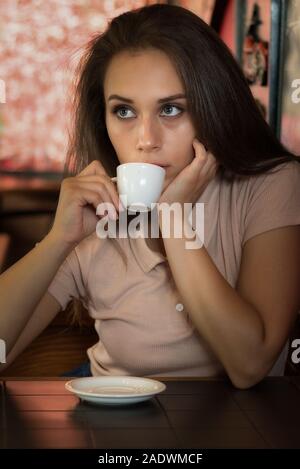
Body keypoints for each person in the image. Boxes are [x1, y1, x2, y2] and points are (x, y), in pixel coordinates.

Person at [1, 4, 300, 389]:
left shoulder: (273, 185)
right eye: (124, 111)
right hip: (110, 430)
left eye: (171, 109)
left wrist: (173, 219)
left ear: (213, 106)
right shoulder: (96, 216)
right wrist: (59, 240)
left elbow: (250, 363)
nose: (146, 141)